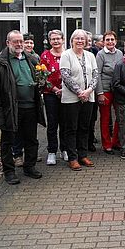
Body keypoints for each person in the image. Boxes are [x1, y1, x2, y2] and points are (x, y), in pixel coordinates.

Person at [0, 30, 45, 185]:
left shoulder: (30, 59)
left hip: (30, 106)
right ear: (8, 43)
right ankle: (9, 171)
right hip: (11, 108)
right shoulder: (1, 62)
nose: (19, 44)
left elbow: (38, 80)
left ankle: (29, 167)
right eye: (15, 41)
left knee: (31, 139)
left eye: (20, 41)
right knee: (8, 141)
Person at [60, 29, 97, 171]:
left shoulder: (90, 55)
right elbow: (66, 76)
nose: (80, 41)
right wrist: (79, 92)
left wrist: (88, 91)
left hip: (88, 96)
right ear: (72, 40)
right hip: (71, 98)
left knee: (84, 127)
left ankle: (83, 155)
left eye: (83, 39)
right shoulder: (66, 55)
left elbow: (95, 75)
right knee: (71, 128)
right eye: (77, 39)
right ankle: (72, 158)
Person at [40, 30, 67, 165]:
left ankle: (64, 149)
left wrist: (64, 89)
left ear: (63, 39)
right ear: (50, 41)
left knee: (65, 123)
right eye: (53, 39)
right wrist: (55, 89)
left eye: (58, 39)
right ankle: (51, 151)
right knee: (52, 123)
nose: (56, 41)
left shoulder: (68, 54)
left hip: (66, 93)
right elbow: (43, 76)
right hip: (50, 94)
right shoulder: (45, 56)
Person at [96, 31, 123, 155]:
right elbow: (97, 74)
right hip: (105, 89)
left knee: (119, 117)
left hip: (118, 90)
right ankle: (106, 144)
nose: (110, 42)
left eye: (112, 39)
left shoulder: (120, 53)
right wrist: (100, 92)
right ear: (104, 42)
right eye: (107, 40)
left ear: (116, 41)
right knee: (106, 118)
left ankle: (115, 142)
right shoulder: (100, 55)